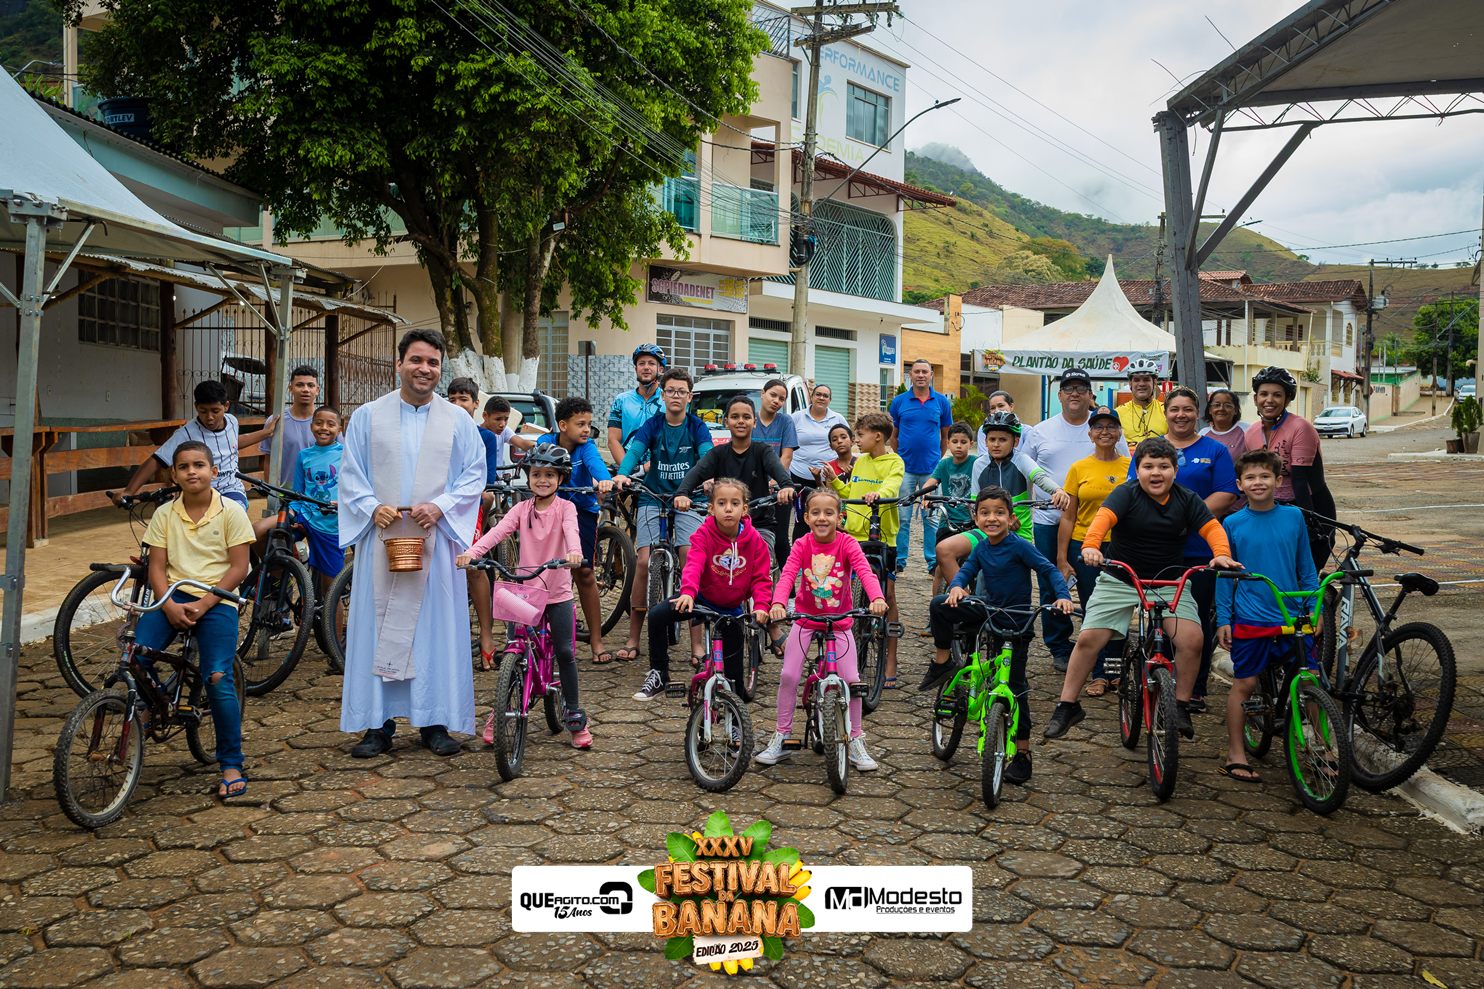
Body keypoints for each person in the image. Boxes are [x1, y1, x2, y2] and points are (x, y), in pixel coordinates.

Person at [337, 329, 486, 759]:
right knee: (376, 626)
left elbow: (474, 474)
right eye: (417, 360)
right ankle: (376, 724)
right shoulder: (368, 415)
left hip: (433, 543)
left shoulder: (457, 420)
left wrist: (441, 506)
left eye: (433, 363)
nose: (425, 369)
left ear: (440, 369)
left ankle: (434, 721)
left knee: (434, 631)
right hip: (383, 540)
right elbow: (351, 472)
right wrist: (370, 506)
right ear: (399, 363)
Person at [1043, 437, 1237, 741]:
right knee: (1090, 638)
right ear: (1138, 470)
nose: (1156, 473)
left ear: (1175, 470)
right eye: (1148, 466)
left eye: (1164, 466)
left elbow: (1211, 527)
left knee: (1193, 640)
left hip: (1168, 581)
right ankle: (1067, 704)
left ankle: (1182, 704)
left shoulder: (1187, 498)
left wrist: (1221, 553)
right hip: (1122, 578)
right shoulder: (1126, 493)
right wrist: (1092, 546)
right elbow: (1103, 519)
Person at [924, 487, 1074, 784]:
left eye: (999, 513)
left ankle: (1023, 753)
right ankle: (943, 662)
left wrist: (1062, 596)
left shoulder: (1020, 546)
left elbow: (1048, 570)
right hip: (987, 610)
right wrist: (957, 586)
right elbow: (967, 570)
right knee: (939, 606)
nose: (992, 518)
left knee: (1017, 686)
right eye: (985, 513)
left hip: (1016, 620)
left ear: (1011, 518)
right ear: (976, 517)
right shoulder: (980, 547)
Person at [137, 441, 254, 800]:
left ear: (213, 472)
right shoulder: (164, 514)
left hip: (217, 599)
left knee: (217, 677)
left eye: (199, 465)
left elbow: (239, 567)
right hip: (172, 597)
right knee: (137, 658)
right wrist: (167, 603)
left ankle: (231, 762)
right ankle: (152, 705)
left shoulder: (231, 511)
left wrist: (204, 604)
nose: (192, 472)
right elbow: (156, 567)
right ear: (173, 474)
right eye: (184, 466)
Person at [458, 443, 590, 748]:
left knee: (566, 651)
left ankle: (573, 713)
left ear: (560, 478)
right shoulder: (521, 509)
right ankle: (501, 710)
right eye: (535, 474)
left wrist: (574, 552)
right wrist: (472, 552)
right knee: (516, 647)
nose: (542, 480)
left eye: (549, 475)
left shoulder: (565, 508)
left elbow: (572, 532)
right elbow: (497, 532)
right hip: (525, 591)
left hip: (556, 593)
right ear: (527, 477)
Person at [757, 486, 888, 770]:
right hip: (805, 620)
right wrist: (779, 603)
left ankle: (855, 740)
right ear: (805, 517)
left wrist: (877, 597)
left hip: (840, 624)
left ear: (840, 518)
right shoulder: (803, 545)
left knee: (852, 681)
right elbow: (788, 573)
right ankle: (781, 735)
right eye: (815, 512)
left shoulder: (847, 544)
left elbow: (865, 571)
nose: (822, 518)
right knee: (789, 675)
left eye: (829, 513)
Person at [1130, 386, 1237, 714]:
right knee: (1157, 621)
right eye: (1174, 409)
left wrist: (1187, 518)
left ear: (1197, 413)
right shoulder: (1151, 450)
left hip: (1199, 550)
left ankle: (1194, 688)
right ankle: (1157, 679)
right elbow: (1133, 490)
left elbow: (1226, 493)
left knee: (1196, 620)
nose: (1181, 415)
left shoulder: (1215, 451)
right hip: (1155, 550)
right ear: (1167, 412)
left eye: (1188, 409)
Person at [1216, 449, 1320, 783]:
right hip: (1251, 617)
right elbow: (1225, 576)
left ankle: (1322, 746)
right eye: (1250, 477)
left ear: (1278, 480)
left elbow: (1306, 568)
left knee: (1310, 681)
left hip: (1294, 616)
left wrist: (1314, 608)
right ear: (1239, 484)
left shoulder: (1293, 517)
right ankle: (1235, 752)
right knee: (1244, 683)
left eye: (1265, 476)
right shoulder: (1231, 524)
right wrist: (1223, 618)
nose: (1258, 482)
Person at [1018, 369, 1128, 671]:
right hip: (1048, 518)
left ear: (1090, 394)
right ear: (1060, 395)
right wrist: (1018, 513)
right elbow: (1024, 471)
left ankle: (1101, 649)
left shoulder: (1104, 429)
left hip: (1098, 524)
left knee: (1100, 588)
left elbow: (1126, 473)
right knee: (1054, 581)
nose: (1075, 393)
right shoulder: (1041, 430)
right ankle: (1059, 645)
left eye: (1081, 388)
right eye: (1069, 388)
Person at [636, 477, 772, 701]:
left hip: (731, 609)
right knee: (657, 616)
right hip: (699, 598)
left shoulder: (755, 541)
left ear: (745, 509)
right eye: (721, 503)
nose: (728, 509)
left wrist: (761, 606)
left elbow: (761, 579)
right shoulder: (703, 534)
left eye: (735, 503)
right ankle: (659, 673)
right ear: (711, 508)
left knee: (736, 685)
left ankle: (737, 725)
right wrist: (688, 592)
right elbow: (694, 564)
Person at [611, 367, 713, 662]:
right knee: (642, 562)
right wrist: (621, 474)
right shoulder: (653, 425)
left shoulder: (697, 427)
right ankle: (633, 638)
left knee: (690, 558)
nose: (676, 396)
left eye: (682, 391)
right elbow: (634, 452)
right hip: (652, 498)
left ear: (690, 396)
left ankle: (696, 644)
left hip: (688, 499)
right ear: (663, 394)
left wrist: (707, 479)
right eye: (671, 391)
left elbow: (707, 457)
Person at [824, 411, 904, 686]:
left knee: (888, 594)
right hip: (854, 534)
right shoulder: (860, 463)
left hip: (883, 537)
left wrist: (879, 494)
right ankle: (843, 650)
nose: (856, 440)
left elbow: (892, 485)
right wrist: (834, 482)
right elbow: (852, 493)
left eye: (860, 435)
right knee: (847, 589)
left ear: (877, 437)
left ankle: (890, 656)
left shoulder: (894, 462)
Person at [1056, 406, 1131, 698]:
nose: (1105, 432)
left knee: (1122, 609)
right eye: (1098, 427)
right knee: (1095, 610)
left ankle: (1116, 672)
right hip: (1085, 545)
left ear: (1119, 432)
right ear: (1090, 433)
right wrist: (1062, 557)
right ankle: (1100, 673)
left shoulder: (1131, 465)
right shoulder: (1079, 468)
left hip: (1121, 545)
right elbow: (1068, 517)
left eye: (1111, 426)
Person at [113, 379, 278, 511]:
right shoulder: (186, 434)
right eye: (203, 411)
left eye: (215, 411)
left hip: (231, 490)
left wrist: (266, 432)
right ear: (196, 407)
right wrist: (129, 491)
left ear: (226, 406)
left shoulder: (232, 421)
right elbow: (157, 459)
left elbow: (233, 443)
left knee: (233, 521)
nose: (210, 417)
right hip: (200, 494)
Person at [537, 397, 616, 665]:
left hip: (582, 512)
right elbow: (535, 469)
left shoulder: (587, 448)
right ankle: (541, 634)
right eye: (580, 424)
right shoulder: (544, 444)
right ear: (562, 425)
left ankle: (596, 639)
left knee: (584, 572)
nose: (586, 429)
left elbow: (597, 466)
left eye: (589, 424)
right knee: (543, 571)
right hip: (547, 513)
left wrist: (604, 480)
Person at [675, 395, 795, 553]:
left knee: (758, 560)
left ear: (754, 423)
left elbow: (778, 471)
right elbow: (696, 473)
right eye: (734, 417)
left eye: (746, 417)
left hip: (758, 526)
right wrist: (682, 493)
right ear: (726, 422)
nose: (740, 421)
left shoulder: (763, 451)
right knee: (702, 557)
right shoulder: (717, 454)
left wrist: (786, 486)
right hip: (721, 527)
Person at [1245, 366, 1337, 572]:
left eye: (1277, 395)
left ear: (1287, 399)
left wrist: (1310, 522)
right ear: (1255, 399)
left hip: (1310, 504)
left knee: (1305, 571)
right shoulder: (1251, 432)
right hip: (1272, 506)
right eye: (1264, 394)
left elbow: (1300, 480)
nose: (1269, 400)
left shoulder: (1300, 427)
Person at [256, 404, 344, 597]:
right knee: (258, 531)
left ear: (340, 429)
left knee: (331, 592)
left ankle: (330, 627)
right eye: (319, 423)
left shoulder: (346, 455)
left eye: (330, 424)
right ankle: (281, 577)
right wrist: (293, 512)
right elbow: (298, 492)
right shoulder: (304, 455)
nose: (324, 428)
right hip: (303, 513)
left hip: (330, 523)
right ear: (311, 426)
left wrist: (344, 504)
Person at [448, 377, 497, 669]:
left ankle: (487, 636)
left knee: (473, 567)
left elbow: (486, 482)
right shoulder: (436, 432)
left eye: (463, 399)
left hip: (470, 507)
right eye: (451, 399)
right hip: (437, 508)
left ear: (476, 404)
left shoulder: (486, 437)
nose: (457, 404)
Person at [889, 358, 953, 573]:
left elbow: (945, 437)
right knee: (902, 517)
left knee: (932, 518)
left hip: (932, 472)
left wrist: (936, 460)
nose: (920, 375)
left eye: (925, 371)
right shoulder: (899, 402)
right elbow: (893, 436)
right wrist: (900, 458)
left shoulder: (941, 402)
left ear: (931, 374)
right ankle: (899, 560)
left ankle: (933, 561)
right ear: (910, 375)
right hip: (905, 470)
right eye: (916, 371)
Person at [917, 422, 977, 599]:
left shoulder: (976, 462)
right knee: (939, 571)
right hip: (948, 522)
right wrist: (925, 495)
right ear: (948, 443)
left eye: (963, 442)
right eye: (955, 441)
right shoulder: (944, 464)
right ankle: (935, 605)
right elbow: (932, 482)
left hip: (972, 522)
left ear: (970, 444)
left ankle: (973, 602)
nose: (959, 445)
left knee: (975, 565)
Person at [789, 384, 848, 541]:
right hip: (799, 475)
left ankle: (830, 551)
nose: (821, 398)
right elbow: (787, 443)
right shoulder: (796, 417)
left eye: (825, 396)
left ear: (830, 400)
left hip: (828, 477)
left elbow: (846, 442)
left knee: (829, 516)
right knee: (802, 518)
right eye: (818, 394)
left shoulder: (838, 418)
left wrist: (846, 463)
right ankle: (800, 554)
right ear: (812, 397)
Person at [754, 379, 800, 565]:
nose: (776, 401)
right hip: (751, 489)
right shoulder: (749, 419)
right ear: (762, 394)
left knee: (781, 539)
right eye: (773, 395)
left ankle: (789, 590)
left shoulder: (785, 421)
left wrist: (773, 481)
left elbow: (786, 456)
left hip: (779, 489)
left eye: (781, 399)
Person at [259, 365, 321, 487]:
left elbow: (340, 458)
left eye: (310, 385)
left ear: (317, 390)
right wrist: (271, 491)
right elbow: (268, 459)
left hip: (319, 492)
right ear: (290, 388)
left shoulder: (327, 423)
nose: (305, 389)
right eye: (300, 385)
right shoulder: (276, 421)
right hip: (285, 492)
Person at [607, 343, 666, 464]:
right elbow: (613, 440)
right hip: (630, 471)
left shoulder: (668, 399)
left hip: (661, 469)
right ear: (635, 369)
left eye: (651, 363)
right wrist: (627, 469)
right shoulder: (621, 400)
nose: (646, 367)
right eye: (641, 363)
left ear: (660, 369)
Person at [1116, 363, 1167, 447]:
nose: (1141, 384)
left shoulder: (1166, 410)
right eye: (1136, 380)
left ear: (1154, 382)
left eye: (1146, 379)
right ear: (1130, 384)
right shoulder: (1118, 413)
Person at [481, 396, 535, 468]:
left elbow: (522, 443)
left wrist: (541, 447)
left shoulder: (504, 431)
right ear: (485, 416)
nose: (502, 424)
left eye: (506, 419)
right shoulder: (474, 432)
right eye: (498, 419)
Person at [975, 389, 1015, 459]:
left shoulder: (1026, 431)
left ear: (1011, 407)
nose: (997, 410)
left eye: (1001, 406)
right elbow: (983, 457)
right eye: (992, 408)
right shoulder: (983, 429)